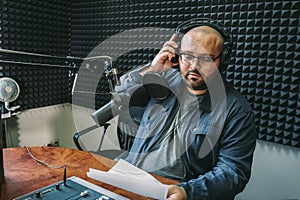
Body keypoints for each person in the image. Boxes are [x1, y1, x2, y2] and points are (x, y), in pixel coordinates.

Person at [114, 21, 256, 200]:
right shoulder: (161, 80)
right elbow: (120, 96)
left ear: (223, 60)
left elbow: (233, 172)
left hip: (175, 190)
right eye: (187, 56)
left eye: (205, 59)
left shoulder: (236, 111)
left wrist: (187, 192)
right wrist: (153, 69)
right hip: (130, 175)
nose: (194, 66)